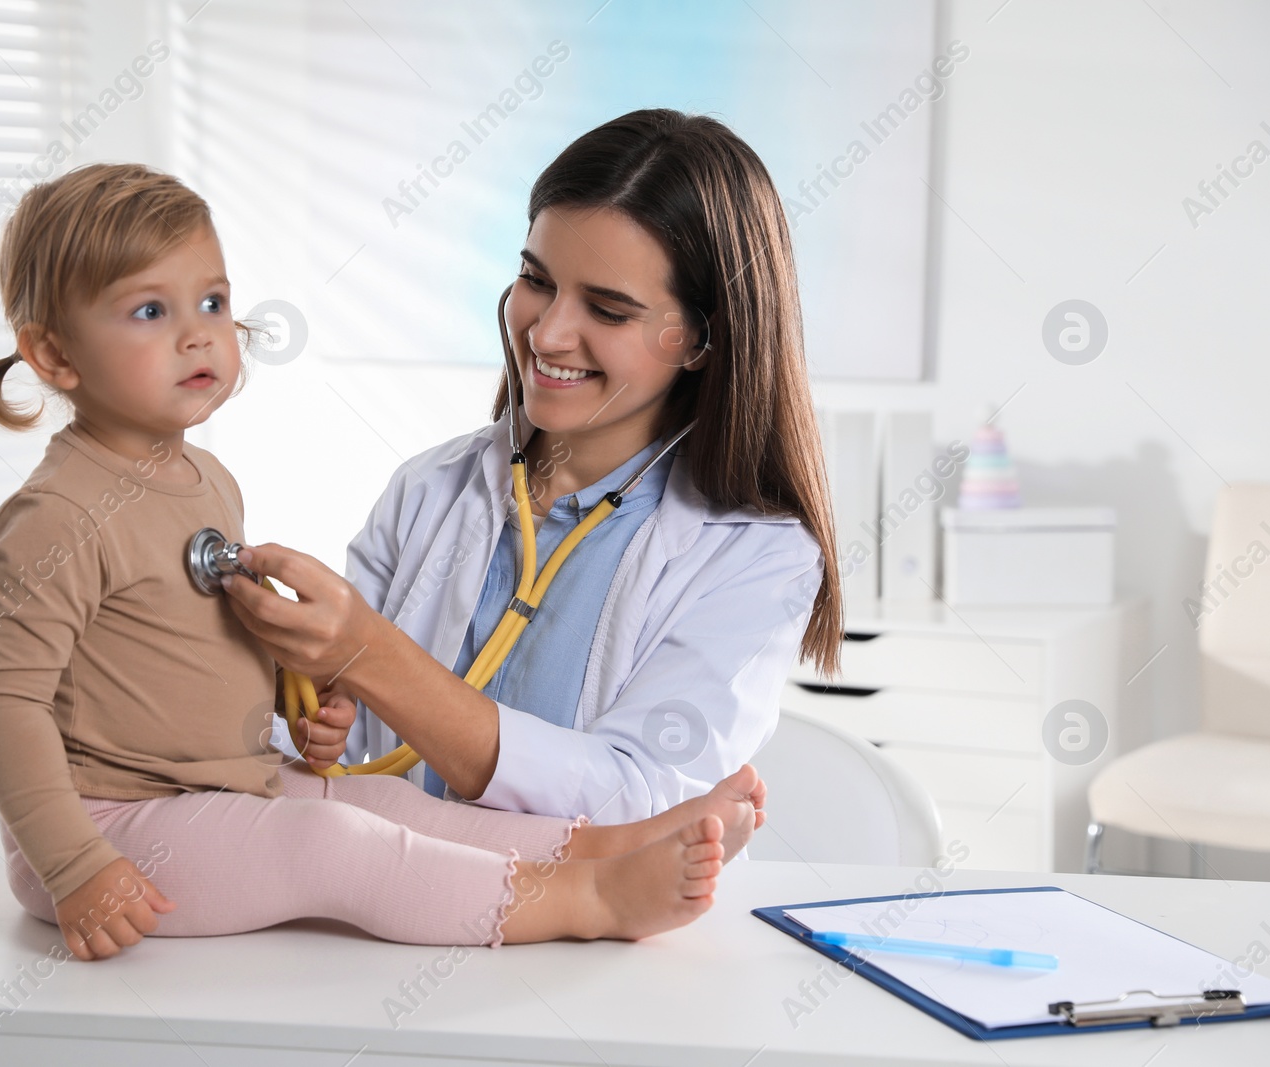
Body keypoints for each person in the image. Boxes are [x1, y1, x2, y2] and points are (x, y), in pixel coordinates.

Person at [0, 162, 766, 962]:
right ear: (55, 356)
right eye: (148, 310)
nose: (199, 332)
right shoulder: (55, 517)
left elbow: (182, 654)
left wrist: (301, 694)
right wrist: (72, 864)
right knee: (329, 837)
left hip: (220, 791)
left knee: (379, 799)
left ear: (698, 337)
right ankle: (588, 898)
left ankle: (604, 846)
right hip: (111, 828)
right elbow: (5, 701)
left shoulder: (208, 482)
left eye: (213, 301)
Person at [220, 109, 843, 823]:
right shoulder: (432, 487)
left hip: (573, 931)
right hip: (390, 907)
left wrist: (372, 651)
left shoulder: (755, 555)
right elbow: (342, 741)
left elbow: (631, 797)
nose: (546, 333)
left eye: (608, 310)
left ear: (701, 341)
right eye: (535, 279)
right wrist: (287, 692)